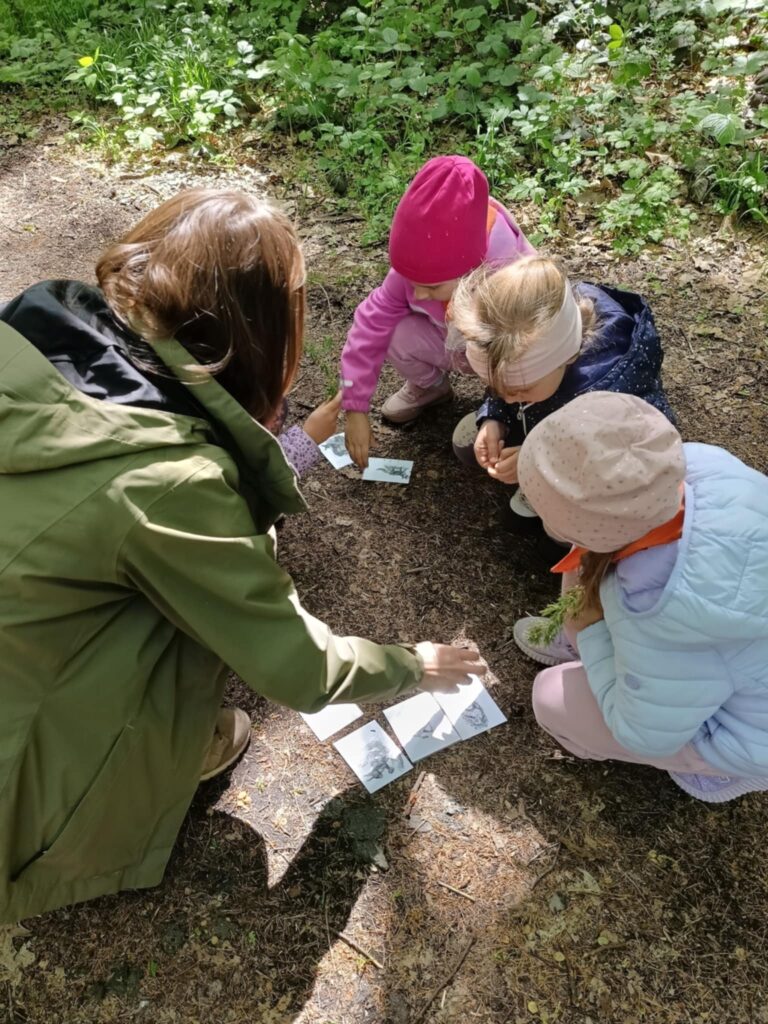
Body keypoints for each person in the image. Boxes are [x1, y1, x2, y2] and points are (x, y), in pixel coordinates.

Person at [0, 189, 485, 924]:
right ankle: (139, 761)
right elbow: (297, 665)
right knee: (195, 626)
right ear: (250, 333)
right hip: (21, 736)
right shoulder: (171, 488)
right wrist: (416, 664)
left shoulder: (36, 321)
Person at [511, 391, 768, 803]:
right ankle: (575, 641)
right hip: (720, 656)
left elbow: (644, 734)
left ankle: (723, 772)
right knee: (584, 562)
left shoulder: (663, 611)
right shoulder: (689, 468)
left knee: (551, 698)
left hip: (746, 729)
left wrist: (592, 633)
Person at [341, 155, 535, 468]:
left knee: (516, 380)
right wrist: (355, 407)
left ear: (469, 270)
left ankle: (509, 413)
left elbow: (532, 355)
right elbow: (371, 323)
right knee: (394, 330)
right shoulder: (420, 271)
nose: (417, 294)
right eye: (412, 282)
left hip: (505, 356)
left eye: (431, 288)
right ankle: (431, 388)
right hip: (456, 343)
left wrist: (498, 411)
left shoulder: (512, 277)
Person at [449, 256, 675, 520]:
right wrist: (494, 417)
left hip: (587, 462)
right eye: (494, 386)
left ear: (566, 358)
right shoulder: (530, 360)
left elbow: (626, 458)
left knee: (547, 533)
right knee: (468, 450)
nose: (508, 397)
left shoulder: (613, 392)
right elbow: (507, 385)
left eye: (519, 390)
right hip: (538, 419)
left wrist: (540, 460)